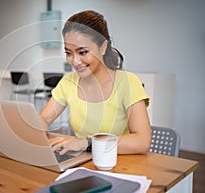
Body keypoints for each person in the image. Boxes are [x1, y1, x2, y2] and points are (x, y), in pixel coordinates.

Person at [39, 10, 151, 155]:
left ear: (103, 47)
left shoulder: (127, 83)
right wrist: (38, 128)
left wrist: (87, 143)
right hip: (83, 163)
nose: (75, 61)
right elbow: (43, 120)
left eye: (83, 52)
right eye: (68, 53)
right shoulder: (68, 82)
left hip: (120, 164)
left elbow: (142, 142)